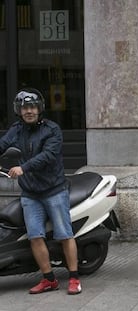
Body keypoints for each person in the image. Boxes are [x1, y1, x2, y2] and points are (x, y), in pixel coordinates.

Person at [0, 88, 82, 295]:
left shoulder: (52, 129)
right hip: (30, 193)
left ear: (39, 108)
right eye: (25, 107)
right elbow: (2, 145)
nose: (29, 111)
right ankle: (49, 279)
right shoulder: (16, 129)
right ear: (19, 110)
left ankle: (74, 278)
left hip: (54, 190)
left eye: (33, 107)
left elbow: (48, 155)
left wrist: (23, 168)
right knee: (35, 236)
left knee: (64, 234)